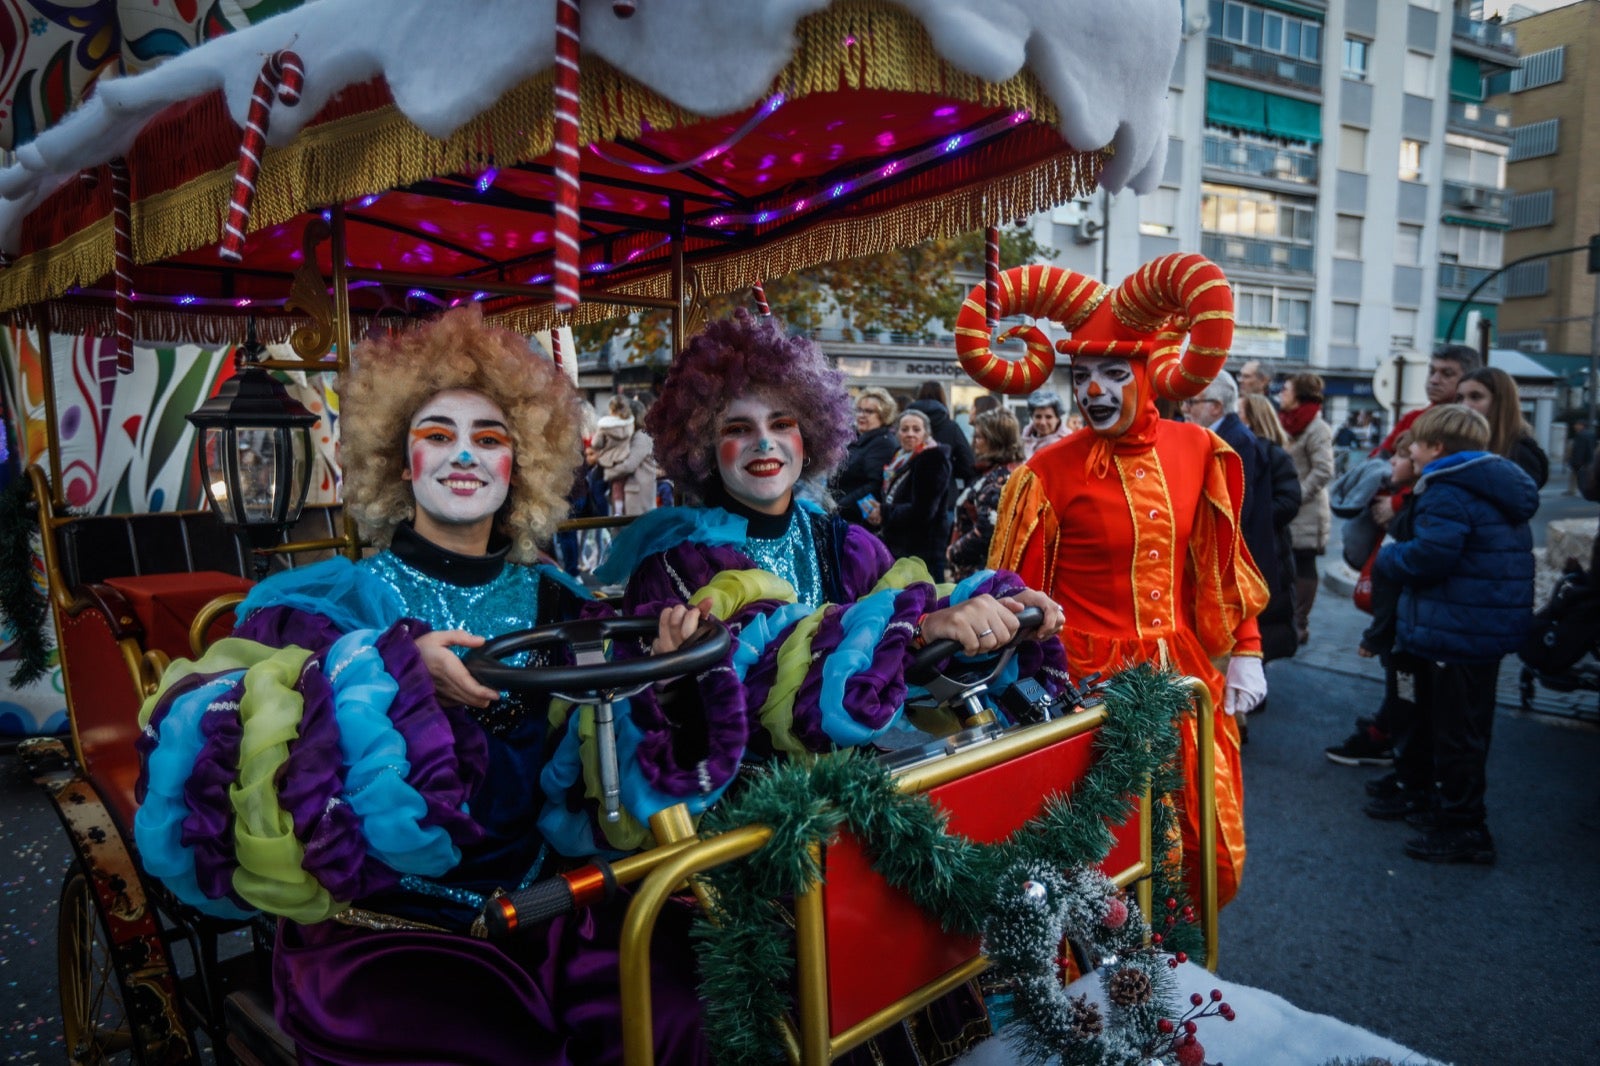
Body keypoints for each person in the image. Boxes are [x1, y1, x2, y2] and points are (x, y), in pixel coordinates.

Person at [132, 307, 705, 1064]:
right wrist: (393, 673)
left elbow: (603, 764)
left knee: (682, 1014)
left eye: (489, 439)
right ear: (402, 462)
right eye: (438, 435)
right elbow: (244, 754)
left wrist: (666, 677)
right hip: (383, 928)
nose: (463, 455)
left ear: (519, 466)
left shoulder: (560, 600)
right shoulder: (324, 606)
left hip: (546, 902)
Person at [593, 308, 1066, 843]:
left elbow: (912, 599)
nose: (764, 443)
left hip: (868, 795)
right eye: (737, 428)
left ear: (810, 434)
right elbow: (765, 669)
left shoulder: (846, 542)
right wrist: (916, 630)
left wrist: (993, 596)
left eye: (782, 424)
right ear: (701, 445)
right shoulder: (678, 569)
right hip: (751, 821)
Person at [982, 252, 1269, 908]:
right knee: (1101, 853)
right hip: (1085, 684)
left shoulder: (1199, 448)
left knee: (1193, 839)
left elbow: (1220, 563)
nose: (1095, 391)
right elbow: (1015, 595)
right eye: (1083, 375)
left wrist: (1248, 647)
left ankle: (1172, 967)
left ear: (1148, 372)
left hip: (1181, 671)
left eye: (1114, 372)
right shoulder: (1048, 470)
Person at [1366, 405, 1537, 864]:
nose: (1412, 451)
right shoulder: (1489, 485)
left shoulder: (1446, 490)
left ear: (1437, 447)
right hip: (1478, 630)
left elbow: (1430, 558)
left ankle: (1465, 827)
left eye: (1417, 442)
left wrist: (1390, 556)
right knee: (1465, 728)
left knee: (1456, 734)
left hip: (1455, 633)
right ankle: (1451, 812)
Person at [1326, 344, 1482, 766]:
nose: (1434, 379)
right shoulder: (1415, 420)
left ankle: (1404, 750)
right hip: (1400, 553)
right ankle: (1396, 736)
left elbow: (1445, 494)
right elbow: (1385, 462)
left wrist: (1397, 506)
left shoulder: (1463, 439)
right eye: (1432, 371)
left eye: (1446, 373)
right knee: (1402, 663)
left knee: (1414, 669)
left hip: (1425, 577)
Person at [1239, 394, 1303, 664]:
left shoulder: (1274, 454)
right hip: (1259, 549)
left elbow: (1290, 501)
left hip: (1270, 551)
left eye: (1238, 412)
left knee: (1265, 622)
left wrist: (1255, 516)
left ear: (1252, 418)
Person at [1279, 372, 1335, 646]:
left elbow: (1324, 470)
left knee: (1304, 563)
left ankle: (1300, 622)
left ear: (1299, 395)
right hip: (1288, 508)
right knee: (1287, 562)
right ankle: (1288, 616)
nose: (1281, 394)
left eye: (1286, 389)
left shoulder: (1317, 427)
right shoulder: (1286, 422)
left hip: (1307, 509)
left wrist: (1295, 495)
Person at [868, 409, 954, 580]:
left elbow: (923, 511)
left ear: (926, 433)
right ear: (897, 433)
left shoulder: (932, 459)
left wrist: (884, 512)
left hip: (922, 553)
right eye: (905, 429)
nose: (910, 434)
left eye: (916, 429)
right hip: (904, 548)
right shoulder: (901, 457)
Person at [947, 409, 1025, 581]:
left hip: (982, 577)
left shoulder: (999, 478)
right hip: (981, 574)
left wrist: (953, 552)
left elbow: (988, 530)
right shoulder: (996, 472)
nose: (974, 443)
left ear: (996, 441)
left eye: (979, 437)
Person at [1457, 367, 1549, 489]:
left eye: (1475, 397)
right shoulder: (1458, 444)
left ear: (1500, 402)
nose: (1464, 405)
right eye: (1459, 398)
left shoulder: (1520, 453)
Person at [832, 386, 899, 524]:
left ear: (883, 415)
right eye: (859, 410)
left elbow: (875, 484)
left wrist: (840, 506)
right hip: (844, 514)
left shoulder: (883, 443)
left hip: (859, 520)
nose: (862, 415)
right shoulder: (857, 438)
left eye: (869, 411)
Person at [596, 394, 659, 516]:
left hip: (638, 498)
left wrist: (608, 473)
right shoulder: (631, 436)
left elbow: (629, 465)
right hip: (629, 496)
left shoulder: (641, 436)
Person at [1020, 389, 1068, 457]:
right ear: (1032, 417)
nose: (1043, 422)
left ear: (1057, 418)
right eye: (1038, 417)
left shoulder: (1066, 444)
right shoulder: (1024, 439)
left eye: (1048, 417)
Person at [1567, 419, 1596, 496]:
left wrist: (1576, 461)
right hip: (1589, 459)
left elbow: (1579, 450)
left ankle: (1572, 490)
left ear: (1581, 426)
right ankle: (1574, 490)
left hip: (1580, 460)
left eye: (1577, 425)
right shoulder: (1591, 434)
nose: (1575, 426)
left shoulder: (1580, 435)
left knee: (1576, 476)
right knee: (1586, 476)